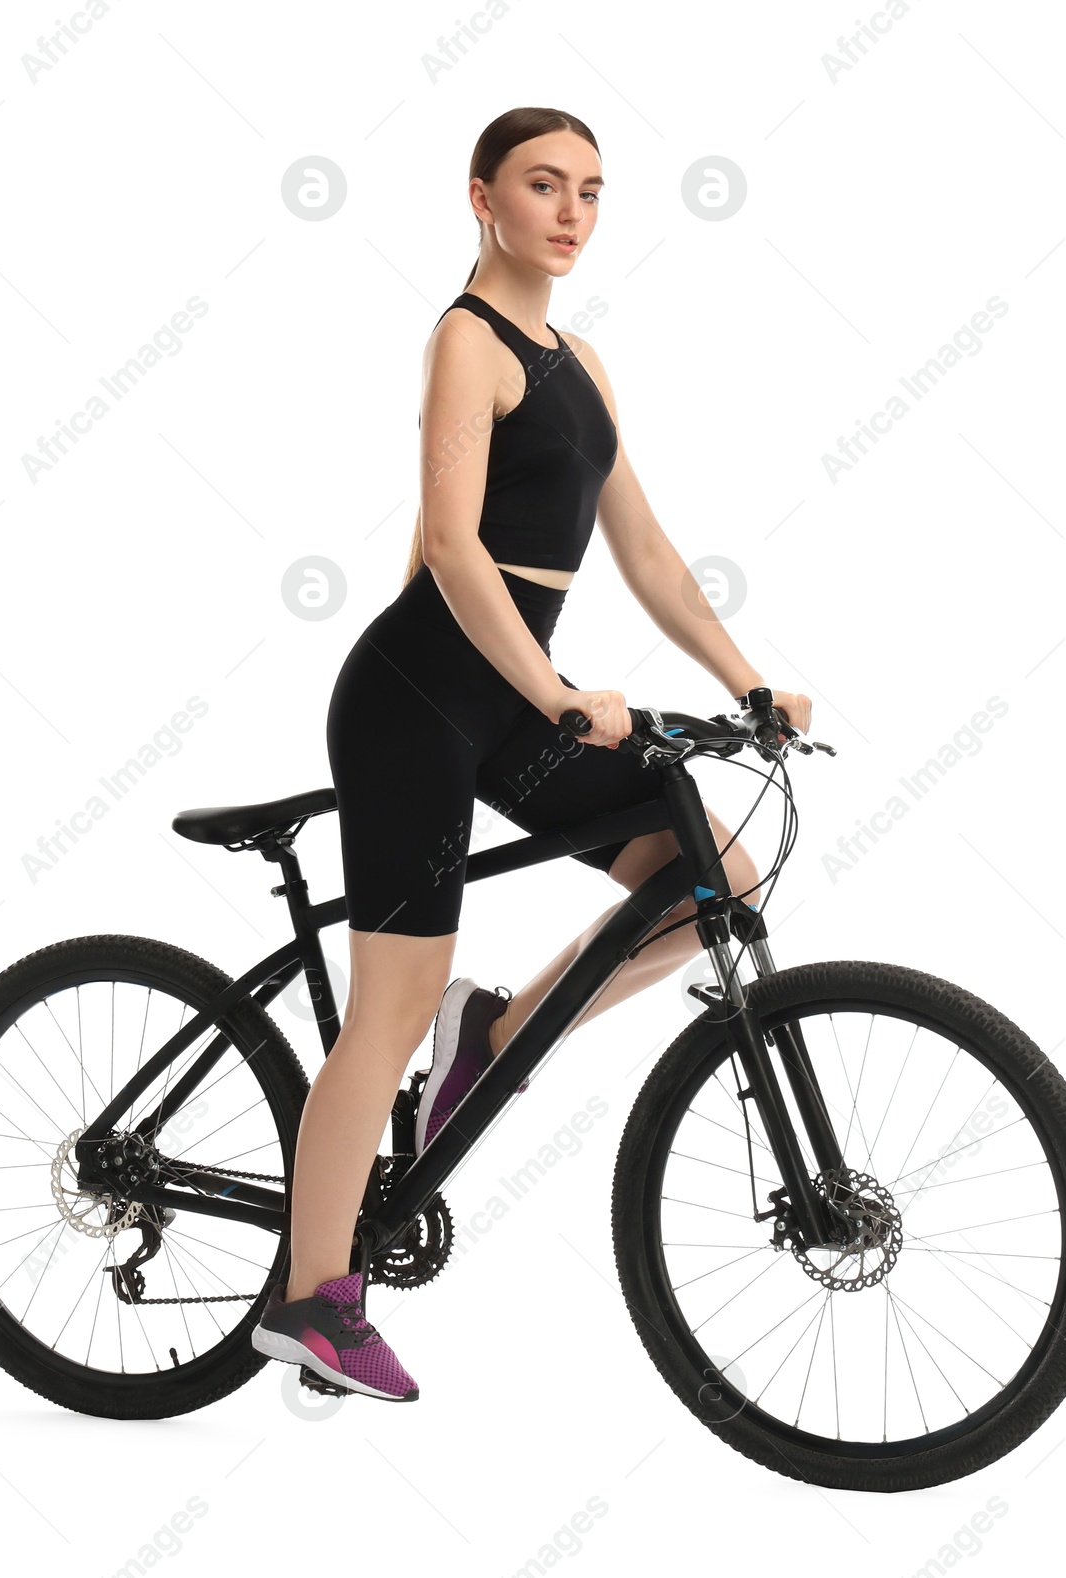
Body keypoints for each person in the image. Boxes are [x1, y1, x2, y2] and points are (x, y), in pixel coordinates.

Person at [251, 107, 811, 1402]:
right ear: (481, 199)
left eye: (593, 192)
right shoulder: (466, 341)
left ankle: (494, 1037)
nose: (570, 212)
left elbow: (650, 552)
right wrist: (557, 688)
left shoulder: (583, 363)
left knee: (715, 870)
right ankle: (312, 1297)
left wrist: (749, 682)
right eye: (543, 185)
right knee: (387, 1006)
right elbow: (450, 549)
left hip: (509, 703)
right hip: (416, 703)